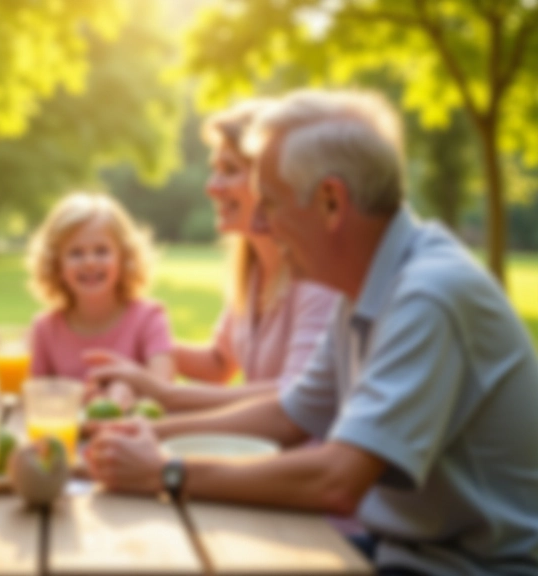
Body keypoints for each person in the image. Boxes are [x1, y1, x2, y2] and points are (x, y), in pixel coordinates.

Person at [84, 89, 538, 575]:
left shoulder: (429, 295)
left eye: (271, 203)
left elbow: (336, 482)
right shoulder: (364, 285)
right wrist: (135, 436)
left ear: (330, 202)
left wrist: (165, 471)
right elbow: (289, 413)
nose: (259, 222)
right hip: (404, 555)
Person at [85, 100, 339, 414]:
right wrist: (142, 342)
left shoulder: (316, 278)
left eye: (230, 170)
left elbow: (295, 394)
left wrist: (163, 393)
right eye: (214, 170)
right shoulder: (252, 267)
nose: (211, 187)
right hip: (261, 447)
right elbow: (218, 364)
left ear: (272, 179)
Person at [27, 193, 174, 404]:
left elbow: (165, 391)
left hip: (134, 434)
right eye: (76, 253)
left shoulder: (150, 319)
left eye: (101, 251)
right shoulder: (45, 329)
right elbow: (35, 397)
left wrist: (128, 389)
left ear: (123, 258)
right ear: (57, 264)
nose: (89, 262)